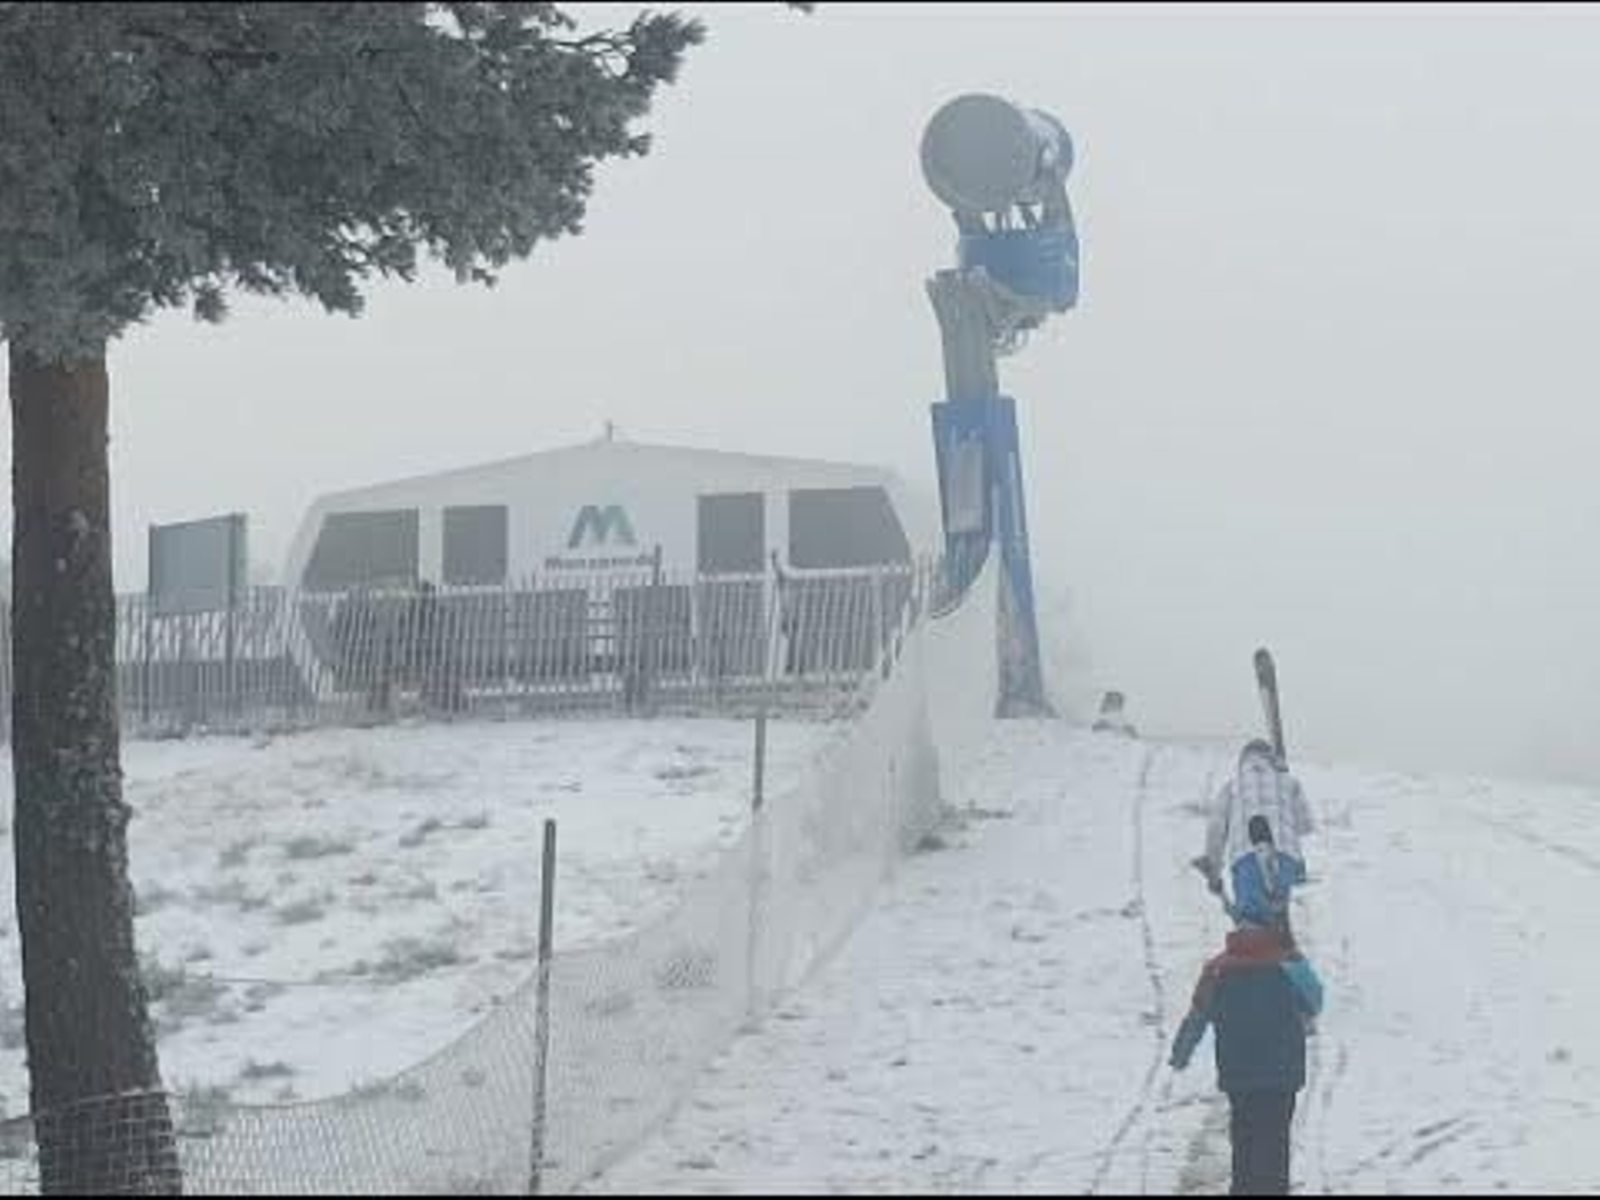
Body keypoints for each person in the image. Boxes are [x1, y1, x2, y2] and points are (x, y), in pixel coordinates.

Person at [1169, 910, 1324, 1196]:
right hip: (1282, 1073)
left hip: (1239, 1072)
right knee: (1275, 1142)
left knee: (1245, 1140)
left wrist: (1181, 1053)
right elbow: (1315, 1002)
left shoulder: (1217, 968)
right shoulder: (1289, 964)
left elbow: (1198, 1014)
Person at [1194, 739, 1314, 935]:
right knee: (1277, 910)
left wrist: (1213, 868)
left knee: (1251, 918)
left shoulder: (1232, 787)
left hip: (1245, 857)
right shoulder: (1289, 782)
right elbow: (1305, 826)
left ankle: (1256, 928)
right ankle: (1274, 888)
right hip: (1286, 855)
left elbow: (1216, 829)